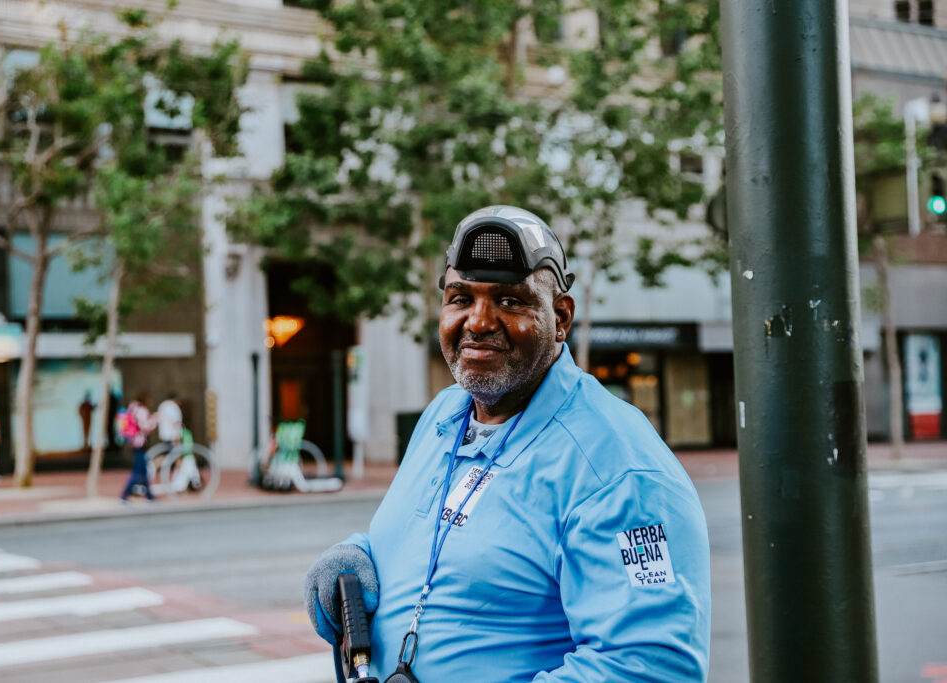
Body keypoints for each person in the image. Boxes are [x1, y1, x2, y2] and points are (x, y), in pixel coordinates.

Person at [304, 205, 711, 681]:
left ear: (560, 317)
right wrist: (359, 555)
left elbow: (650, 667)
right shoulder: (444, 415)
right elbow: (437, 542)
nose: (478, 321)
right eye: (460, 298)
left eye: (511, 301)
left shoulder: (617, 466)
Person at [119, 393, 158, 501]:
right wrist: (154, 419)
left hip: (134, 442)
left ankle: (149, 496)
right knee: (138, 471)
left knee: (142, 470)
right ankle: (125, 494)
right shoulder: (142, 410)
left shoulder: (132, 409)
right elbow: (145, 426)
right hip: (140, 442)